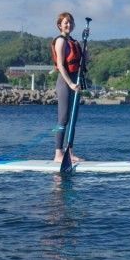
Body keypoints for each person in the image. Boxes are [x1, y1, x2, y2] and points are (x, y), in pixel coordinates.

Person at [50, 11, 83, 164]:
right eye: (65, 23)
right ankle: (58, 154)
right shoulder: (61, 41)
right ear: (59, 25)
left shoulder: (75, 42)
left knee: (73, 120)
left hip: (76, 83)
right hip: (65, 82)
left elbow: (85, 61)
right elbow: (61, 65)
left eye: (70, 22)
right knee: (63, 118)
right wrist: (70, 83)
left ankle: (69, 152)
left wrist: (85, 45)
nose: (68, 25)